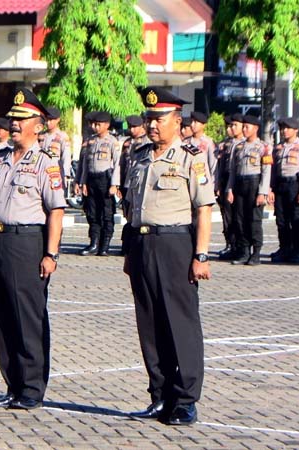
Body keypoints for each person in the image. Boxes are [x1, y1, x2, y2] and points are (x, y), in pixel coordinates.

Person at [123, 87, 212, 426]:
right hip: (142, 244)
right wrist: (129, 250)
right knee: (150, 326)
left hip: (176, 245)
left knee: (181, 325)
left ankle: (186, 399)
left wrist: (201, 255)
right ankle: (160, 396)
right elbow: (132, 209)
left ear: (177, 121)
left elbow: (203, 210)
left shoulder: (191, 159)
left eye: (159, 119)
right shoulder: (140, 156)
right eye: (149, 119)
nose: (152, 125)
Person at [0, 88, 66, 410]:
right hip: (0, 241)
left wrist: (51, 254)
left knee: (27, 318)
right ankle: (13, 384)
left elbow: (56, 210)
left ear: (38, 125)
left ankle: (32, 388)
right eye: (12, 119)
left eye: (21, 119)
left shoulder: (46, 163)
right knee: (2, 318)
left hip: (27, 243)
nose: (14, 124)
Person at [226, 114, 272, 265]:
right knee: (239, 219)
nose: (244, 129)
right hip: (240, 183)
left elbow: (266, 171)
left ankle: (256, 252)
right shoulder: (238, 147)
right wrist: (230, 189)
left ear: (256, 128)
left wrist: (262, 192)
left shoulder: (263, 147)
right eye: (243, 126)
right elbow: (233, 170)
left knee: (254, 220)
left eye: (247, 127)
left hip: (254, 183)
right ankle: (244, 251)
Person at [267, 117, 299, 264]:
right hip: (280, 186)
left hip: (295, 185)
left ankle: (296, 251)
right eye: (282, 128)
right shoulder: (278, 147)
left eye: (287, 128)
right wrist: (271, 189)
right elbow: (273, 170)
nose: (284, 131)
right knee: (281, 220)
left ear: (296, 130)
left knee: (296, 219)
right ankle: (284, 248)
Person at [77, 111, 119, 256]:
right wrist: (82, 182)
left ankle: (105, 245)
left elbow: (118, 164)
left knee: (107, 213)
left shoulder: (112, 141)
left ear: (107, 125)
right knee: (91, 212)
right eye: (94, 124)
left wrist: (115, 184)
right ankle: (93, 243)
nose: (95, 127)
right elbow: (84, 164)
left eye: (98, 124)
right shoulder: (90, 141)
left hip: (105, 180)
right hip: (91, 180)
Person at [118, 115, 150, 255]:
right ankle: (128, 245)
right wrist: (117, 184)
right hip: (127, 183)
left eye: (134, 127)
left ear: (142, 127)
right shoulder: (127, 143)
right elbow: (121, 165)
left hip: (140, 184)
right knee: (128, 214)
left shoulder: (148, 142)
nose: (132, 129)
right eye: (130, 127)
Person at [216, 114, 244, 259]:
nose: (230, 128)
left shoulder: (244, 144)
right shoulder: (225, 144)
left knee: (238, 217)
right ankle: (230, 245)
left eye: (234, 125)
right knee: (227, 216)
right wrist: (218, 185)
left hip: (239, 182)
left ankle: (240, 246)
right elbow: (220, 168)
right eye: (229, 126)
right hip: (226, 180)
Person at [42, 106, 72, 178]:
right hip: (41, 172)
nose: (48, 122)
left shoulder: (62, 136)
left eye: (51, 120)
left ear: (58, 120)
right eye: (46, 119)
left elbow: (66, 157)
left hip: (55, 173)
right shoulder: (41, 136)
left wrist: (65, 174)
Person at [186, 111, 217, 178]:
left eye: (195, 122)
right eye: (191, 121)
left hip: (202, 178)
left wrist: (213, 185)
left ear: (203, 125)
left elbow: (213, 165)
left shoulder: (208, 142)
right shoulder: (186, 142)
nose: (192, 124)